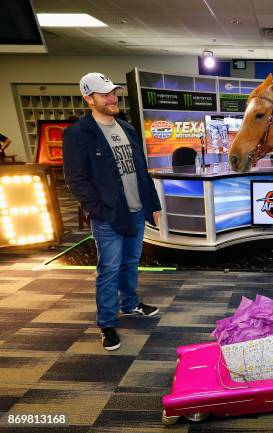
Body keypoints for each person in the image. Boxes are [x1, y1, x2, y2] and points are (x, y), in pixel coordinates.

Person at [63, 73, 162, 351]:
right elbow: (75, 179)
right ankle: (107, 323)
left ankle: (130, 304)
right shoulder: (78, 134)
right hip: (108, 215)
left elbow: (141, 171)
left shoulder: (127, 129)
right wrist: (98, 211)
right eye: (104, 94)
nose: (112, 97)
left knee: (130, 263)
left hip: (136, 210)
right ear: (89, 98)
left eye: (113, 92)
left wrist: (153, 204)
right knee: (108, 270)